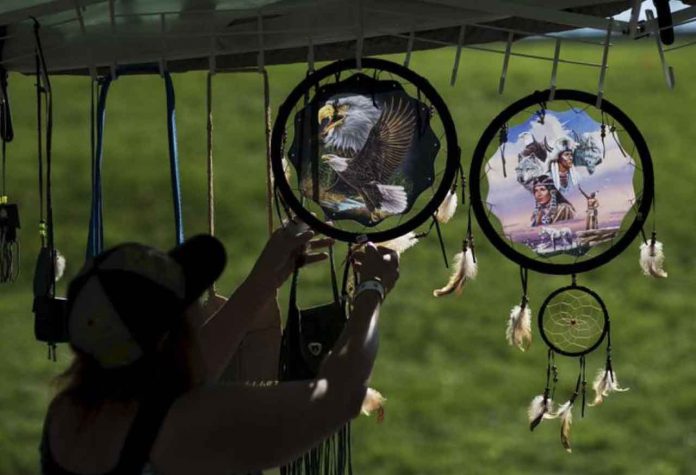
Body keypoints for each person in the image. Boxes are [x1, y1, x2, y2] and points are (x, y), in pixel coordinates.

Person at [40, 223, 399, 475]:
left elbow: (185, 371)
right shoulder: (186, 426)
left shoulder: (68, 412)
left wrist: (263, 279)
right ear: (168, 338)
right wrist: (371, 290)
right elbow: (341, 396)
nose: (199, 307)